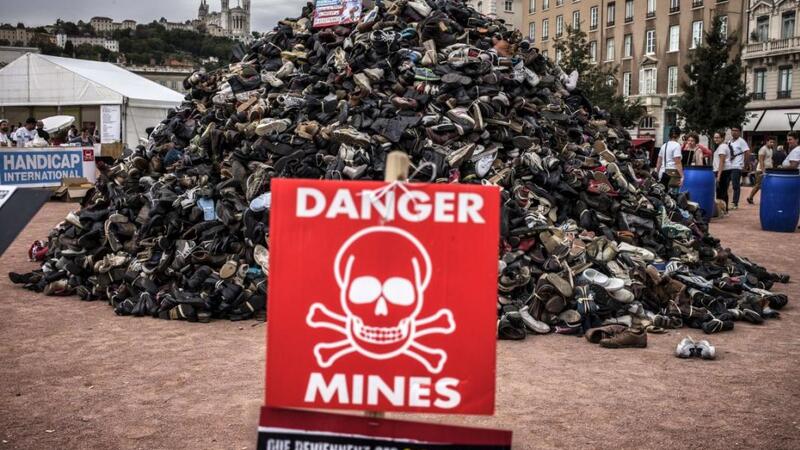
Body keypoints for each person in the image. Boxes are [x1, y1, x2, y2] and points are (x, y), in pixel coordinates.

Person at [725, 126, 750, 210]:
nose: (734, 132)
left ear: (739, 132)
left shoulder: (741, 141)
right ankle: (725, 202)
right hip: (728, 166)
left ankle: (735, 203)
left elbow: (747, 152)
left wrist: (745, 165)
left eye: (736, 131)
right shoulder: (729, 142)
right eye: (733, 130)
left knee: (735, 185)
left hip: (737, 166)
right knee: (726, 185)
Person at [747, 136, 775, 204]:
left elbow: (769, 159)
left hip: (769, 170)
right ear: (767, 142)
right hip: (760, 170)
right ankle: (750, 197)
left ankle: (767, 198)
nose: (772, 143)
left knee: (768, 185)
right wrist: (763, 171)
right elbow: (761, 160)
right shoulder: (763, 149)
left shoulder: (771, 150)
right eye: (771, 142)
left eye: (773, 142)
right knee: (758, 185)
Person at [713, 131, 737, 212]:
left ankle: (722, 210)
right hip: (724, 171)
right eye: (715, 137)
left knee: (721, 192)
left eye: (717, 137)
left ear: (722, 138)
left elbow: (721, 161)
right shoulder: (722, 146)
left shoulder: (722, 147)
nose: (715, 139)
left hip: (723, 171)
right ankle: (724, 210)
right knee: (723, 191)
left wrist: (718, 176)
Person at [655, 126, 684, 191]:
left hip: (662, 173)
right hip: (672, 174)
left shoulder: (664, 145)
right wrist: (682, 176)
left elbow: (659, 162)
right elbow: (677, 162)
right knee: (673, 196)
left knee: (664, 194)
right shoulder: (677, 145)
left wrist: (657, 173)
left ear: (669, 135)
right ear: (679, 135)